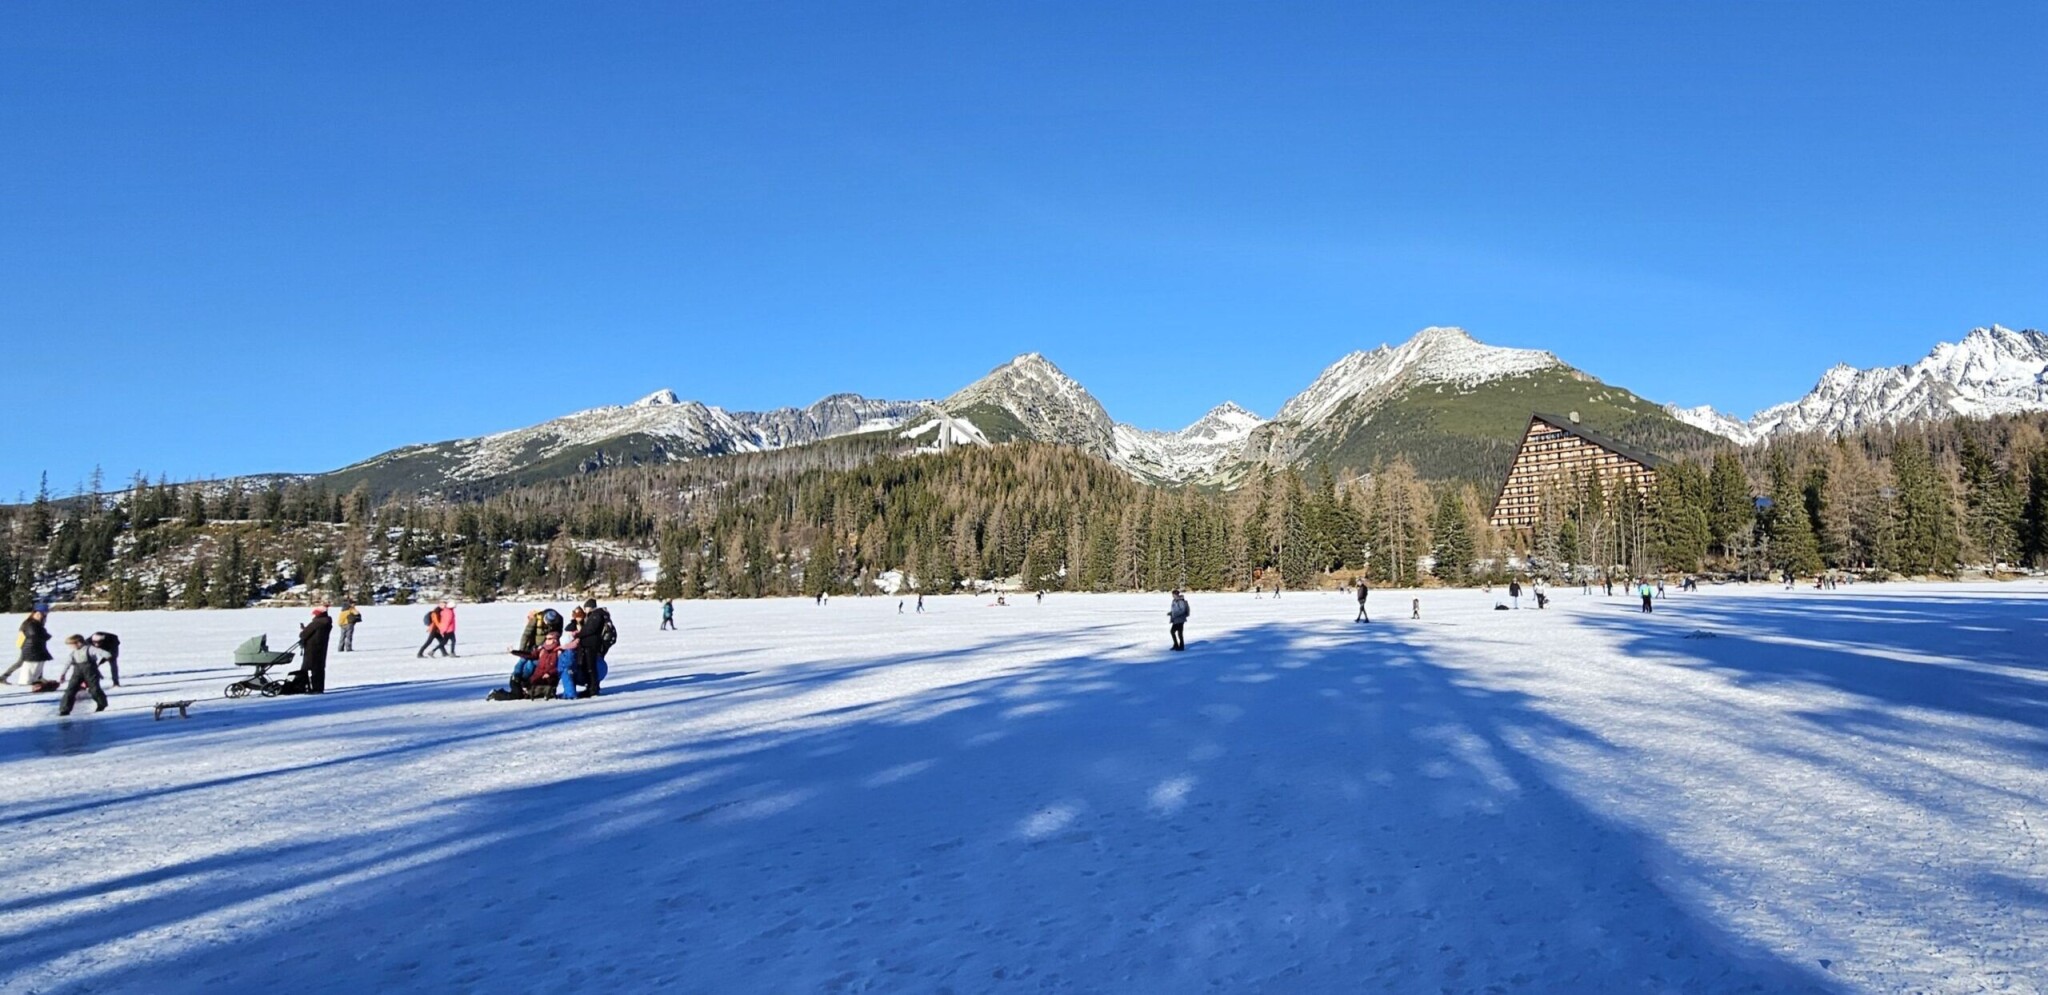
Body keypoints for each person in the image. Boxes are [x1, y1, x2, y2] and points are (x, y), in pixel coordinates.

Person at [56, 634, 109, 716]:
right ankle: (64, 709)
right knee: (70, 690)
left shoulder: (90, 649)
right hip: (77, 672)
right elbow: (68, 663)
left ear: (79, 643)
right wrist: (63, 674)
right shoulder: (73, 653)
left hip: (91, 671)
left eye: (71, 645)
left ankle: (102, 704)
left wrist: (104, 659)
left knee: (94, 689)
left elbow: (105, 653)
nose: (71, 647)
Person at [4, 609, 55, 689]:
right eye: (37, 614)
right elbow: (35, 634)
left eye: (41, 614)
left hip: (30, 646)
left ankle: (38, 677)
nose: (39, 616)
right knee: (24, 662)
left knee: (31, 661)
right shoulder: (30, 623)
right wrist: (46, 636)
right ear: (33, 614)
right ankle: (3, 677)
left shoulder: (35, 623)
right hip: (29, 647)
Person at [578, 599, 616, 696]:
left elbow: (590, 629)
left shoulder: (596, 615)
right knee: (592, 666)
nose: (584, 610)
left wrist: (578, 634)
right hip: (596, 644)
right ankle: (593, 686)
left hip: (592, 645)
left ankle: (593, 688)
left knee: (591, 666)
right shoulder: (600, 614)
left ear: (589, 607)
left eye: (585, 608)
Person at [297, 605, 334, 694]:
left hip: (312, 649)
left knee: (305, 669)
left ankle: (302, 686)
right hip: (322, 648)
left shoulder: (316, 623)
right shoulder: (327, 622)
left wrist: (303, 631)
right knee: (319, 669)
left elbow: (303, 635)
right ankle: (318, 688)